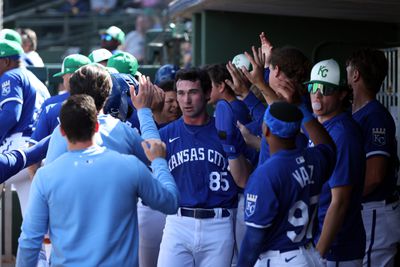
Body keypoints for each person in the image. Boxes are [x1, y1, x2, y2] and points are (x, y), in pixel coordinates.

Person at [16, 94, 179, 267]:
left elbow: (30, 240)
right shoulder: (130, 167)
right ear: (96, 126)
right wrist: (159, 161)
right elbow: (170, 202)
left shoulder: (45, 176)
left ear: (62, 131)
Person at [157, 67, 244, 267]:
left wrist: (231, 146)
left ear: (206, 94)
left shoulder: (225, 131)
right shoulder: (166, 135)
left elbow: (244, 180)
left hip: (219, 223)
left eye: (193, 92)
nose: (186, 100)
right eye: (181, 93)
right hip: (177, 222)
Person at [238, 100, 336, 267]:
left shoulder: (265, 174)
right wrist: (302, 107)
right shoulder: (315, 158)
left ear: (266, 130)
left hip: (280, 258)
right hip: (310, 255)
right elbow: (329, 147)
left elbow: (254, 237)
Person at [306, 59, 366, 266]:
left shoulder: (344, 133)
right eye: (313, 87)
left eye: (326, 88)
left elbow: (339, 202)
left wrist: (317, 255)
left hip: (336, 249)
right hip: (317, 240)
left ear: (342, 93)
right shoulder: (317, 126)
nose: (317, 94)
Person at [347, 48, 400, 267]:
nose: (346, 76)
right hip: (365, 210)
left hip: (375, 210)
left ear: (356, 74)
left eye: (348, 71)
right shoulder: (355, 112)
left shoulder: (375, 116)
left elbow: (375, 176)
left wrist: (341, 199)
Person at [0, 39, 50, 215]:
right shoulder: (37, 81)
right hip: (37, 149)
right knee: (32, 216)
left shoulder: (10, 75)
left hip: (18, 145)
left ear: (6, 61)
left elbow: (10, 114)